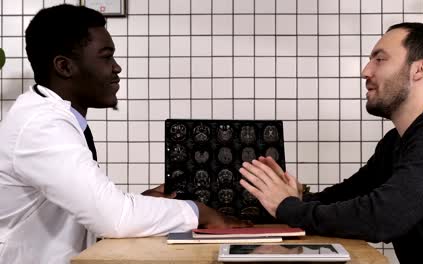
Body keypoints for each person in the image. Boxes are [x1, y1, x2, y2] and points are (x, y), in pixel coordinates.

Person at [0, 4, 248, 264]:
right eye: (106, 57)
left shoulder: (51, 115)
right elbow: (113, 218)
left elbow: (94, 209)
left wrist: (142, 206)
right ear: (64, 66)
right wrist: (200, 212)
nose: (117, 68)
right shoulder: (42, 126)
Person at [239, 22, 423, 264]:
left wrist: (288, 207)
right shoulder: (397, 140)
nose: (366, 71)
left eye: (380, 59)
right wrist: (298, 200)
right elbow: (351, 195)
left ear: (419, 69)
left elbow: (381, 217)